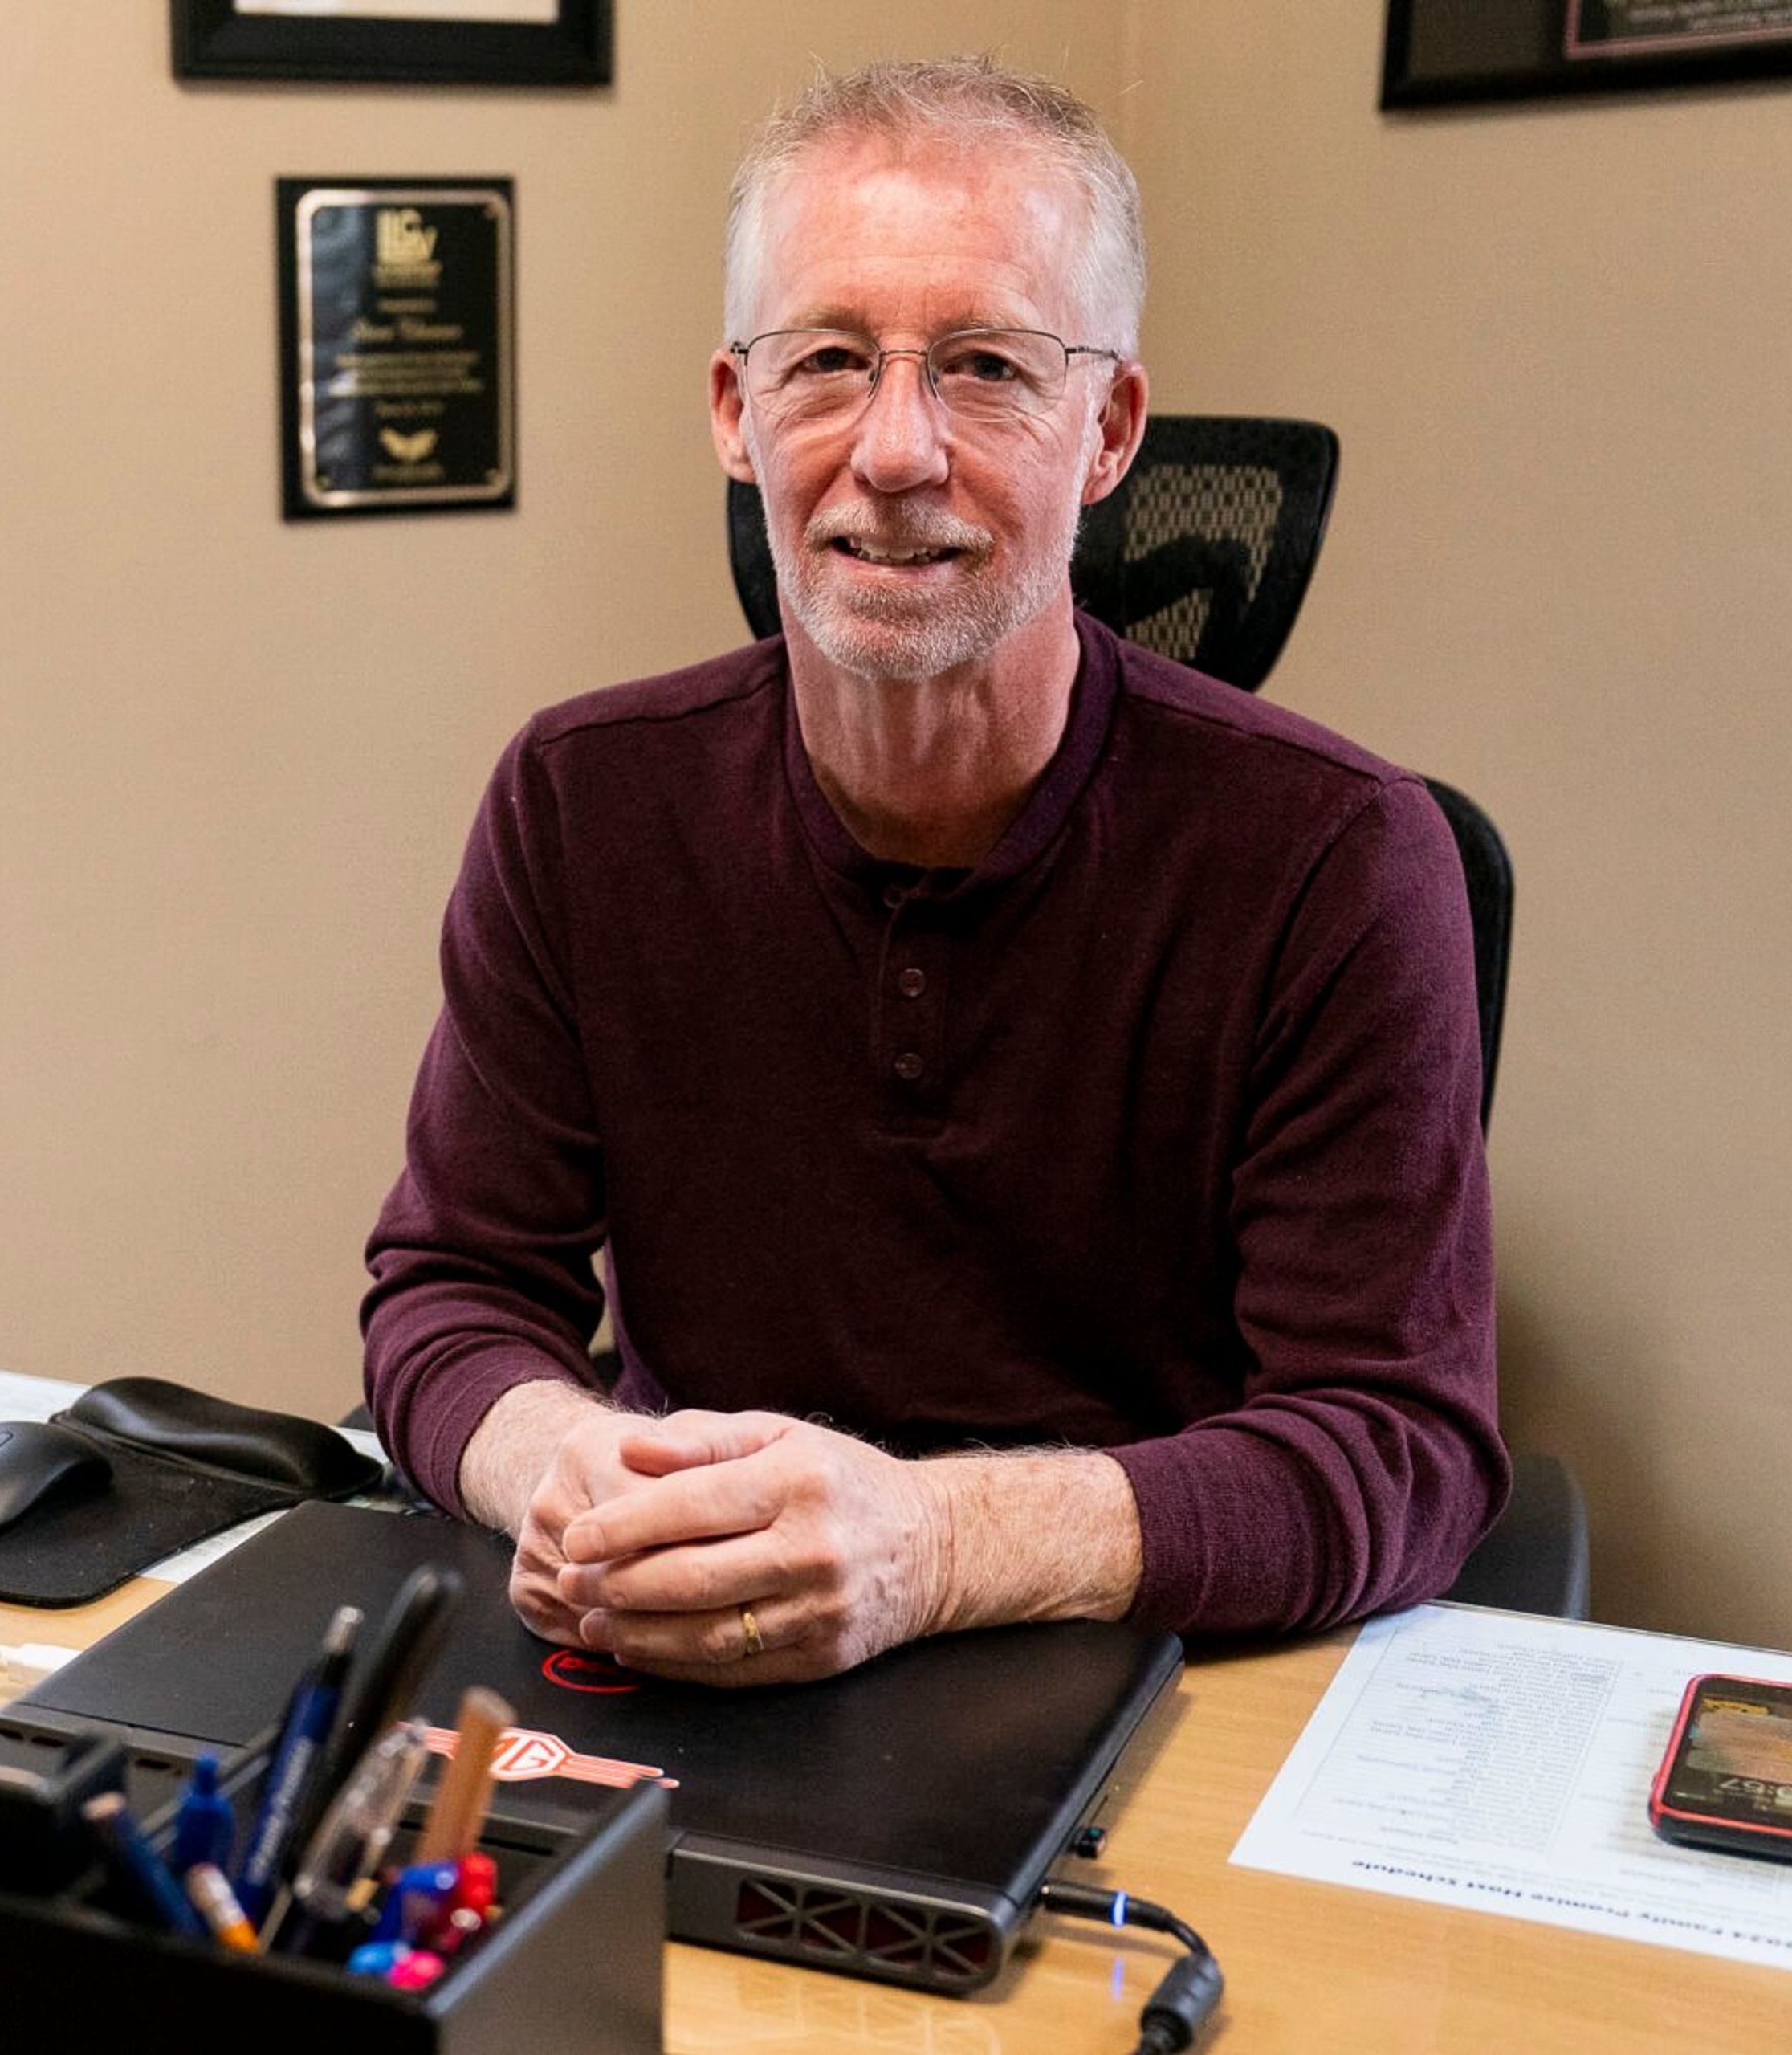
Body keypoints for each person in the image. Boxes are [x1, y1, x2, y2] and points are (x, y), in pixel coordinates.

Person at [360, 57, 1506, 1686]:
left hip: (1143, 1672)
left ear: (1107, 430)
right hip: (693, 1652)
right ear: (733, 416)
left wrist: (936, 1543)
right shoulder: (579, 803)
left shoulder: (1339, 858)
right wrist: (557, 1462)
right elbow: (453, 1286)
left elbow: (1402, 1441)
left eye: (985, 367)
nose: (896, 451)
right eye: (826, 360)